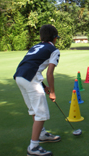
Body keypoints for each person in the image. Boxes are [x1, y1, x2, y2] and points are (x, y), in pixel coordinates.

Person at [13, 24, 61, 156]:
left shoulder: (35, 46)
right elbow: (49, 73)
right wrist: (52, 91)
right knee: (41, 113)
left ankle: (42, 134)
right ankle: (33, 148)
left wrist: (43, 86)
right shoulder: (54, 50)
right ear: (55, 38)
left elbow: (33, 66)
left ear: (41, 37)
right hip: (30, 79)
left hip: (20, 77)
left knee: (34, 110)